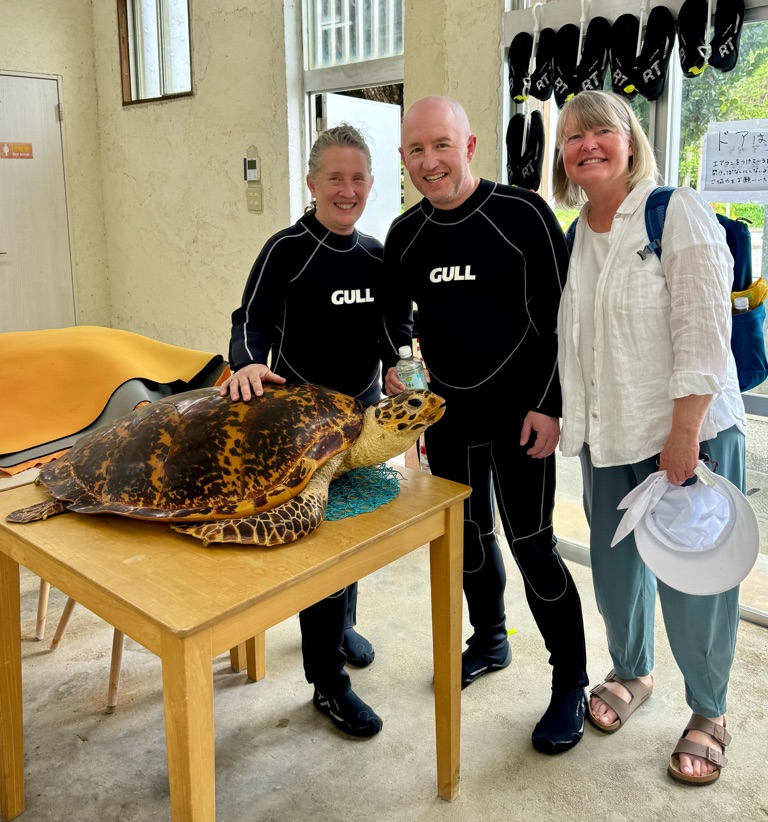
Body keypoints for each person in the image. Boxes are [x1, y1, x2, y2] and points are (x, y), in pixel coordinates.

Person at [382, 96, 589, 754]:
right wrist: (398, 370)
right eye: (417, 150)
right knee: (469, 541)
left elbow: (562, 319)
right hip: (451, 418)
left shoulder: (522, 215)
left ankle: (570, 681)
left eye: (442, 145)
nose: (430, 162)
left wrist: (552, 405)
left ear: (469, 147)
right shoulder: (405, 234)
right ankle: (491, 640)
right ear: (404, 158)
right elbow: (395, 321)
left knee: (533, 547)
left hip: (521, 416)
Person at [553, 89, 747, 784]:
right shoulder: (576, 236)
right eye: (572, 137)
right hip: (611, 436)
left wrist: (685, 431)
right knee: (617, 576)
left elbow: (704, 327)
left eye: (601, 131)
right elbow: (575, 343)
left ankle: (709, 711)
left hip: (684, 435)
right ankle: (633, 672)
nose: (587, 145)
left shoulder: (675, 211)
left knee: (695, 583)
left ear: (630, 141)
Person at [221, 123, 395, 737]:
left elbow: (389, 331)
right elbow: (251, 320)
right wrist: (247, 362)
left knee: (351, 534)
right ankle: (327, 683)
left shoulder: (376, 254)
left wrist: (398, 368)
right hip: (300, 432)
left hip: (361, 421)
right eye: (335, 178)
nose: (347, 190)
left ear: (371, 183)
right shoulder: (286, 250)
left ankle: (341, 625)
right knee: (320, 542)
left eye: (358, 178)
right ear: (312, 183)